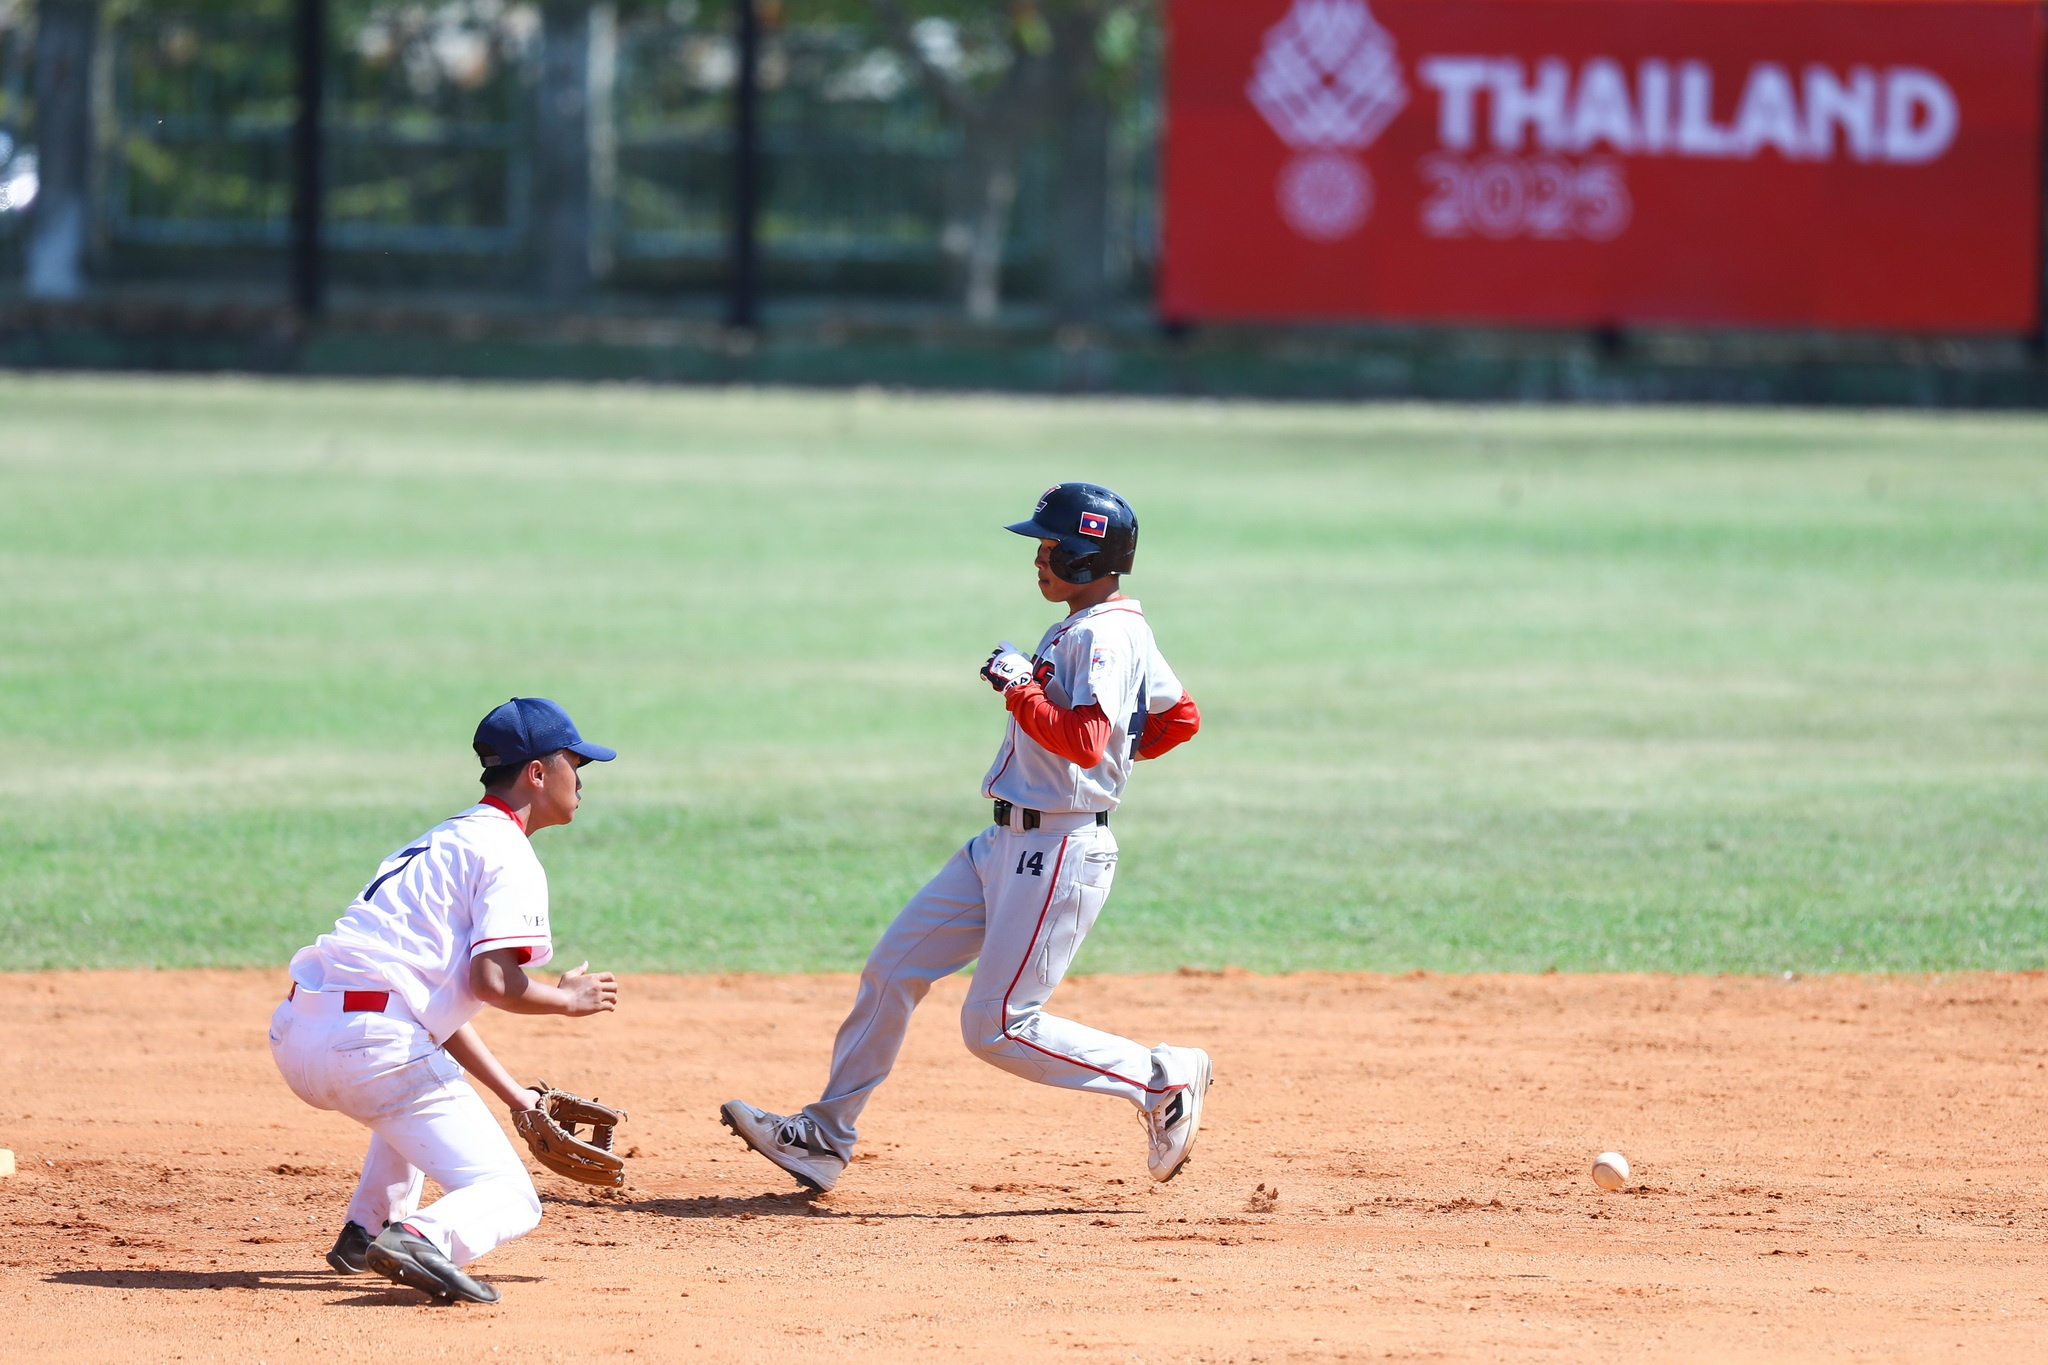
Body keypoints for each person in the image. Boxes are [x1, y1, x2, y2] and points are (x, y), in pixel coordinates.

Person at [721, 482, 1209, 1191]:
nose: (1038, 558)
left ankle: (1160, 1079)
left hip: (1056, 851)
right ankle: (825, 1135)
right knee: (893, 967)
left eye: (1049, 546)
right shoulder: (1106, 623)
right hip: (1004, 845)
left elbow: (1086, 737)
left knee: (998, 1025)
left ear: (1084, 554)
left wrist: (1021, 688)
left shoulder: (1104, 633)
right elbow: (1177, 716)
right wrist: (1101, 758)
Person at [267, 697, 621, 1304]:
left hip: (303, 1034)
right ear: (538, 772)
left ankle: (368, 1228)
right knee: (510, 1197)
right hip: (371, 1048)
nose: (581, 778)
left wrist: (517, 1096)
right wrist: (567, 999)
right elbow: (491, 983)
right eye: (574, 762)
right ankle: (418, 1237)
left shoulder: (443, 841)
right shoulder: (509, 853)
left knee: (411, 1086)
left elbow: (431, 1007)